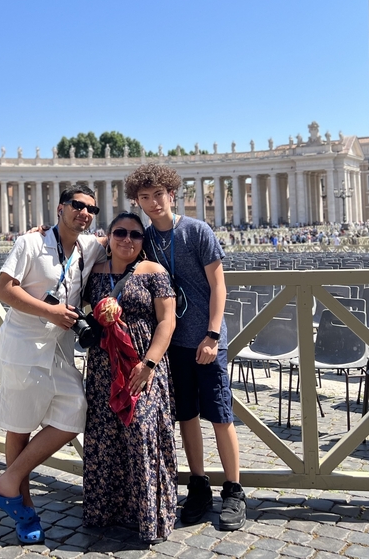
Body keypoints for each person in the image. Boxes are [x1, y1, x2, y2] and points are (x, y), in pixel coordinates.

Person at [124, 163, 247, 531]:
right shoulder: (144, 238)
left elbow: (219, 286)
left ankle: (234, 490)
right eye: (144, 197)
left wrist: (212, 335)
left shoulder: (197, 231)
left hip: (205, 340)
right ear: (138, 201)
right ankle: (198, 485)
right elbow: (112, 248)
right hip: (172, 345)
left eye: (158, 194)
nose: (152, 202)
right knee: (187, 416)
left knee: (221, 416)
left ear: (171, 194)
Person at [0, 185, 105, 544]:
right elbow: (4, 289)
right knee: (19, 428)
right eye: (77, 206)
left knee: (75, 411)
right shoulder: (31, 243)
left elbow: (121, 241)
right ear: (60, 208)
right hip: (23, 346)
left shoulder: (90, 246)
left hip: (59, 349)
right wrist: (50, 311)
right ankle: (24, 508)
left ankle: (7, 481)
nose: (84, 213)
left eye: (91, 209)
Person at [83, 212, 177, 543]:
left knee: (141, 431)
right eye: (119, 233)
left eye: (135, 235)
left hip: (143, 366)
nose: (127, 239)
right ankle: (107, 510)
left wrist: (149, 363)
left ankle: (149, 514)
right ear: (108, 237)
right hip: (103, 365)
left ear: (143, 241)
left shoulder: (154, 271)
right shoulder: (93, 272)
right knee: (104, 434)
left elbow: (167, 321)